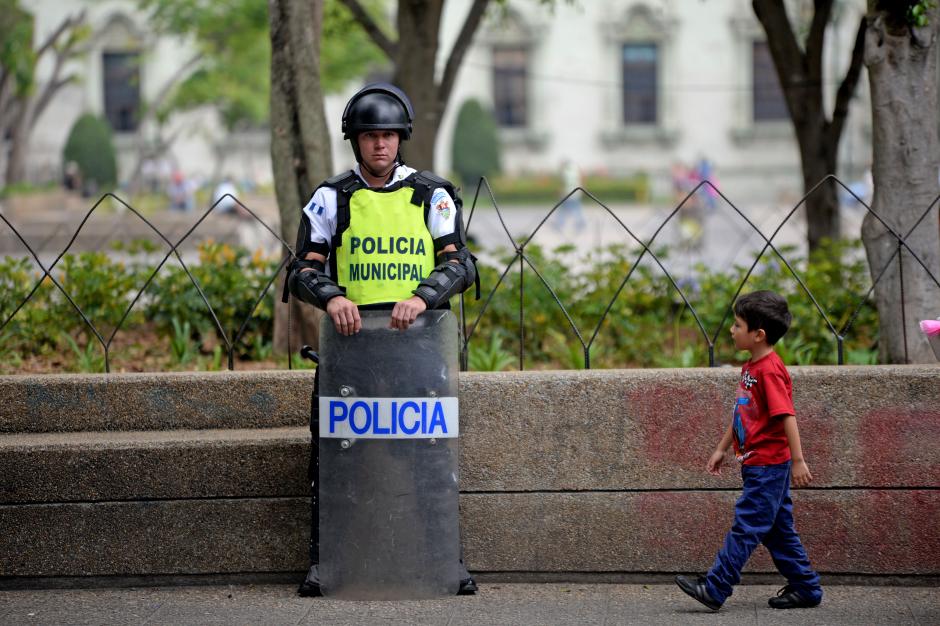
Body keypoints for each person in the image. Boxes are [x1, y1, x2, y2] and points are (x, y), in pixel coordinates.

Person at [285, 82, 478, 598]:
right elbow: (301, 269)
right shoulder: (331, 197)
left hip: (417, 347)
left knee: (430, 457)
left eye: (389, 135)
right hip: (352, 350)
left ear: (401, 138)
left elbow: (460, 264)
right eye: (370, 135)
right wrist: (330, 297)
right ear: (355, 140)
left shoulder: (432, 195)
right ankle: (324, 563)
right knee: (334, 457)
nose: (380, 144)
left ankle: (446, 560)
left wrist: (423, 296)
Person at [675, 290, 823, 612]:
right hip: (757, 464)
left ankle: (715, 587)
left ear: (758, 335)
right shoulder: (750, 368)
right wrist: (721, 448)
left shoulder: (769, 370)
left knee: (747, 527)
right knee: (777, 531)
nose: (731, 330)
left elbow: (787, 415)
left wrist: (798, 460)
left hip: (769, 466)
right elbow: (743, 414)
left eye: (738, 325)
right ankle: (806, 587)